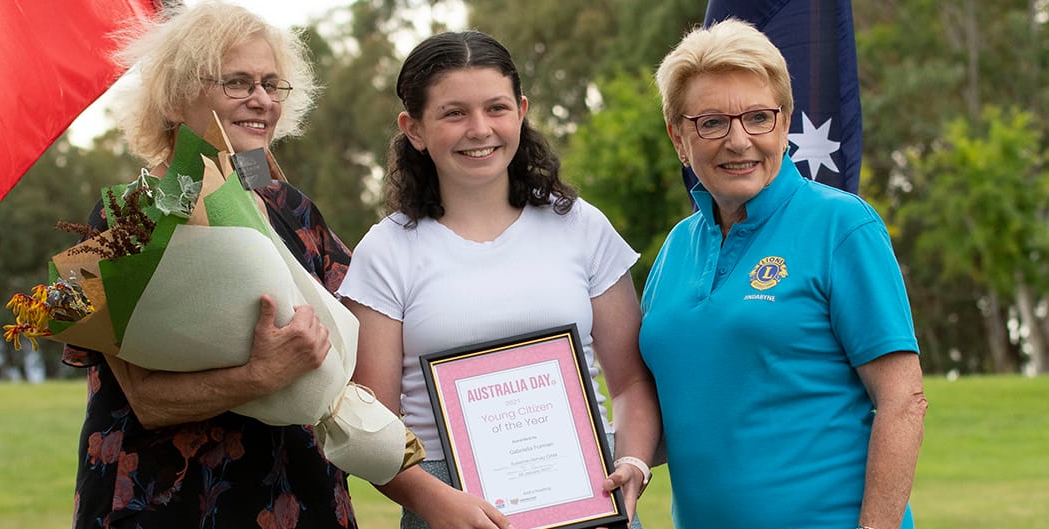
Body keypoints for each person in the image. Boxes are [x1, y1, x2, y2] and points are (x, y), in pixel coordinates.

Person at [336, 30, 661, 529]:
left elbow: (632, 381)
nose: (479, 128)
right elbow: (372, 424)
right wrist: (433, 500)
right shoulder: (386, 251)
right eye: (453, 113)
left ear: (521, 110)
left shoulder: (580, 225)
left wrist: (634, 461)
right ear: (414, 128)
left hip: (591, 496)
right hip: (445, 505)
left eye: (496, 108)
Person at [63, 2, 360, 527]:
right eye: (238, 82)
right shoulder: (129, 216)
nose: (262, 100)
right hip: (163, 504)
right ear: (178, 95)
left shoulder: (294, 209)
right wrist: (260, 374)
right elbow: (147, 401)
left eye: (272, 84)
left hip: (295, 494)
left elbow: (357, 333)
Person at [641, 18, 928, 529]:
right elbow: (680, 420)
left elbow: (903, 401)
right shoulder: (675, 250)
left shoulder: (842, 226)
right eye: (711, 122)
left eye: (758, 118)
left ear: (785, 122)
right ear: (679, 137)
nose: (738, 141)